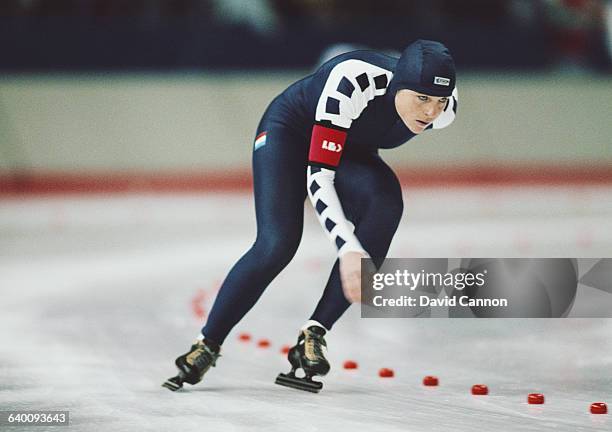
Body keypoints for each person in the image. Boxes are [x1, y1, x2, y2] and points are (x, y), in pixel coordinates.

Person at [163, 39, 458, 392]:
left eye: (439, 101)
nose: (430, 112)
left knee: (386, 204)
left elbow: (356, 152)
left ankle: (314, 334)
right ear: (397, 85)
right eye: (422, 98)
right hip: (290, 133)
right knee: (278, 243)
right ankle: (207, 344)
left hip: (350, 147)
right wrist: (349, 249)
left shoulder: (446, 111)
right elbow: (320, 178)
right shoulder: (353, 81)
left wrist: (357, 249)